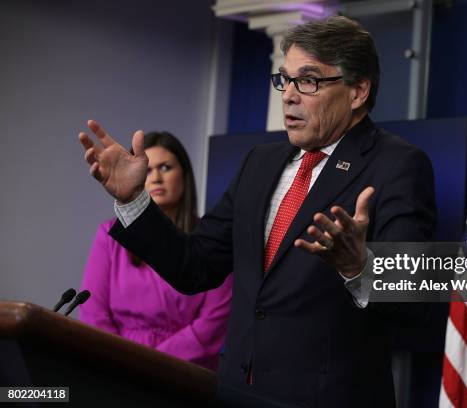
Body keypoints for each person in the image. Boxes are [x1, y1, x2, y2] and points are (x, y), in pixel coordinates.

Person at [78, 16, 436, 407]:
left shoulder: (398, 164)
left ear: (358, 91)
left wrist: (359, 268)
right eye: (285, 80)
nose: (289, 95)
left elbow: (415, 302)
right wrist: (133, 200)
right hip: (238, 393)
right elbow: (194, 266)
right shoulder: (260, 162)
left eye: (309, 80)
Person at [79, 131, 232, 371]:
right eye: (148, 169)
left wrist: (149, 365)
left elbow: (212, 323)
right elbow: (93, 313)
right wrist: (120, 362)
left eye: (166, 167)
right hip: (117, 367)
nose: (156, 178)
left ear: (185, 175)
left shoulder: (211, 236)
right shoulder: (109, 234)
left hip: (185, 370)